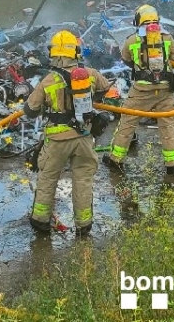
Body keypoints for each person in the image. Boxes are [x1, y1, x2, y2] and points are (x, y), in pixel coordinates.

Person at [23, 29, 111, 237]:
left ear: (54, 53)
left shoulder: (48, 80)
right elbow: (105, 88)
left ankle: (40, 222)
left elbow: (30, 110)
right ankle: (84, 225)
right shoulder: (89, 74)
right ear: (75, 51)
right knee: (83, 180)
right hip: (83, 137)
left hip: (57, 140)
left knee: (48, 178)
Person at [105, 4, 174, 175]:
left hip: (141, 91)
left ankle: (116, 160)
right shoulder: (167, 37)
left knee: (127, 123)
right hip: (165, 90)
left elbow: (125, 58)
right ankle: (172, 165)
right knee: (167, 126)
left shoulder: (132, 40)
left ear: (138, 20)